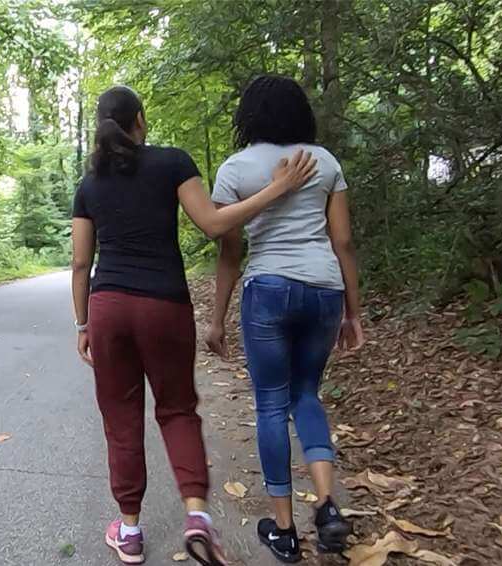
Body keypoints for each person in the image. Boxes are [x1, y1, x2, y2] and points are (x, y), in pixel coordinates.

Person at [71, 85, 318, 566]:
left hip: (108, 308)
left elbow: (81, 265)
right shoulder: (172, 163)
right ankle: (198, 517)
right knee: (178, 410)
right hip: (164, 305)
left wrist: (83, 322)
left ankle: (129, 531)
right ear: (140, 120)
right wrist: (278, 189)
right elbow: (215, 224)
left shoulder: (90, 184)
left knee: (121, 421)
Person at [205, 75, 364, 563]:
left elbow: (229, 253)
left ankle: (285, 530)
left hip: (268, 289)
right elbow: (343, 243)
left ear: (248, 115)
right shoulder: (325, 162)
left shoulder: (234, 169)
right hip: (324, 290)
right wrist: (354, 311)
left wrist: (216, 320)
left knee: (271, 406)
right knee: (306, 395)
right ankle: (328, 507)